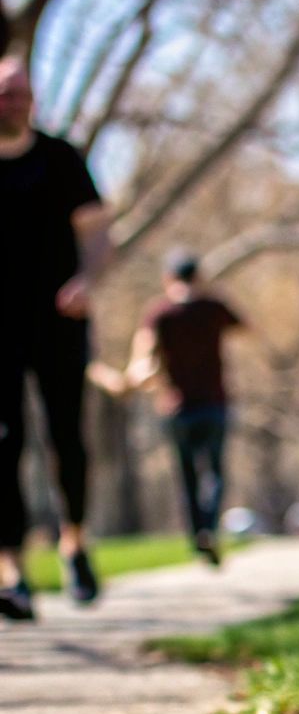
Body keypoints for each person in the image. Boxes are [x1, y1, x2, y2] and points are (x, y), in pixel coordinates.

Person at [0, 55, 112, 619]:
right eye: (3, 94)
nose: (11, 102)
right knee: (3, 443)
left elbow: (96, 233)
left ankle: (74, 542)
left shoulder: (61, 158)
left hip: (58, 321)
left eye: (18, 93)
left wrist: (85, 280)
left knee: (66, 437)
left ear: (32, 100)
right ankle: (12, 573)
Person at [93, 251, 245, 565]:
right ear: (198, 276)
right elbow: (247, 327)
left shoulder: (160, 313)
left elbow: (143, 355)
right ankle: (209, 527)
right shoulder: (213, 307)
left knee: (187, 474)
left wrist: (133, 375)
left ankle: (197, 535)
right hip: (214, 405)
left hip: (177, 408)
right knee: (214, 471)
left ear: (167, 280)